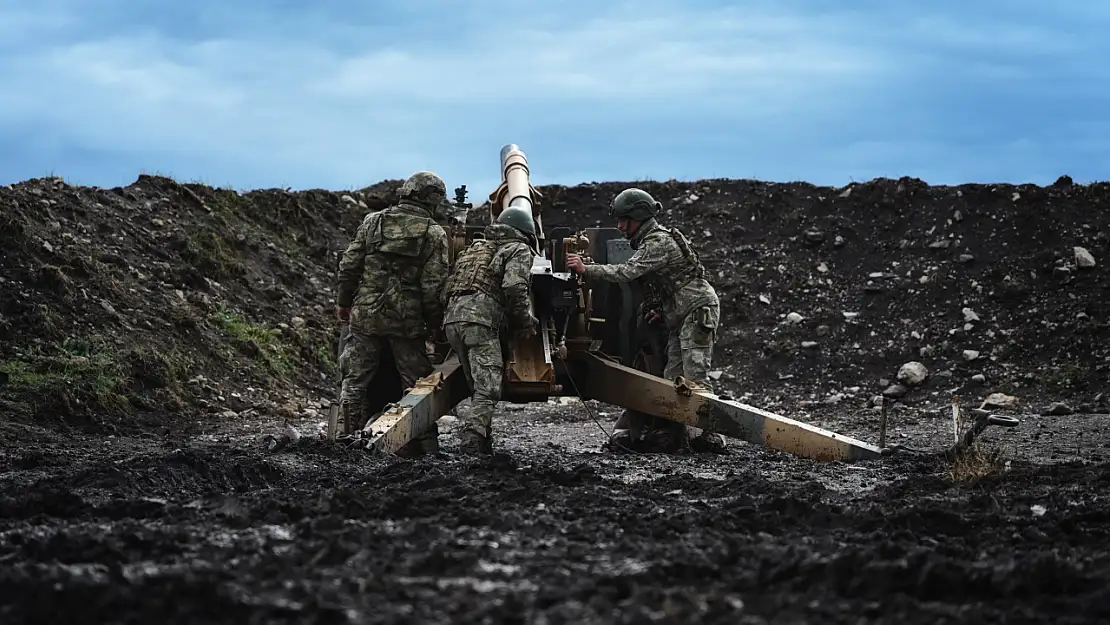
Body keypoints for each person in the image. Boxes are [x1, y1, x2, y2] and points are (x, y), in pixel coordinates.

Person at [565, 187, 726, 453]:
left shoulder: (657, 242)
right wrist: (662, 311)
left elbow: (628, 271)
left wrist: (586, 268)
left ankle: (708, 435)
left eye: (623, 220)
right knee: (672, 378)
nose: (619, 226)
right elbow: (672, 284)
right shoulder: (652, 241)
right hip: (680, 315)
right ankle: (675, 435)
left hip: (697, 311)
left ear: (638, 217)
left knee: (695, 377)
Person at [335, 171, 451, 456]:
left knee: (355, 381)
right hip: (405, 322)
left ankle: (341, 444)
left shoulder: (373, 222)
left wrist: (344, 302)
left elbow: (349, 266)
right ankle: (427, 449)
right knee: (418, 386)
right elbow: (433, 287)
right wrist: (436, 327)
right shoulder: (433, 233)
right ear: (434, 200)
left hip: (365, 316)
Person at [441, 205, 539, 455]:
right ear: (526, 233)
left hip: (452, 320)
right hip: (480, 321)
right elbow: (514, 287)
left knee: (476, 383)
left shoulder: (475, 248)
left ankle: (484, 437)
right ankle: (472, 438)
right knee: (488, 386)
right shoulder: (518, 248)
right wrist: (525, 322)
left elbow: (448, 284)